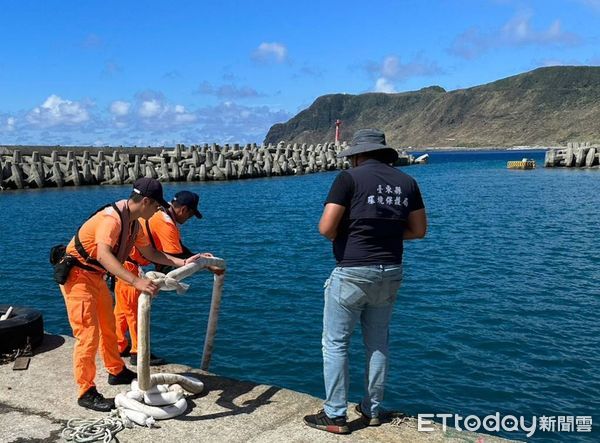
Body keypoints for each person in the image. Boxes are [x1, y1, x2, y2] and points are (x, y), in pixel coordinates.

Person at [303, 129, 427, 434]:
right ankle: (372, 410)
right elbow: (419, 230)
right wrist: (385, 235)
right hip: (391, 272)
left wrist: (347, 236)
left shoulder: (349, 178)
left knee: (335, 344)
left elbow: (326, 227)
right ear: (384, 153)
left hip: (353, 271)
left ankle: (335, 415)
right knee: (378, 343)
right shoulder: (407, 182)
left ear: (358, 155)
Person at [59, 178, 205, 412]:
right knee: (88, 334)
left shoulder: (134, 223)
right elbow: (105, 255)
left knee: (108, 326)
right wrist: (137, 281)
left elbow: (151, 253)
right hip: (78, 277)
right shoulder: (112, 219)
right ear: (145, 201)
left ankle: (116, 371)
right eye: (157, 204)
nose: (159, 208)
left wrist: (184, 261)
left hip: (95, 277)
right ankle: (85, 391)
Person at [114, 190, 213, 367]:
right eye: (190, 214)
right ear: (183, 210)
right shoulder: (166, 222)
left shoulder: (160, 213)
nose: (189, 219)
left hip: (123, 262)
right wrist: (204, 263)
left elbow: (177, 250)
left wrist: (196, 256)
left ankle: (118, 344)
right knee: (136, 310)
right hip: (130, 266)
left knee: (123, 310)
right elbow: (174, 256)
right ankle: (139, 352)